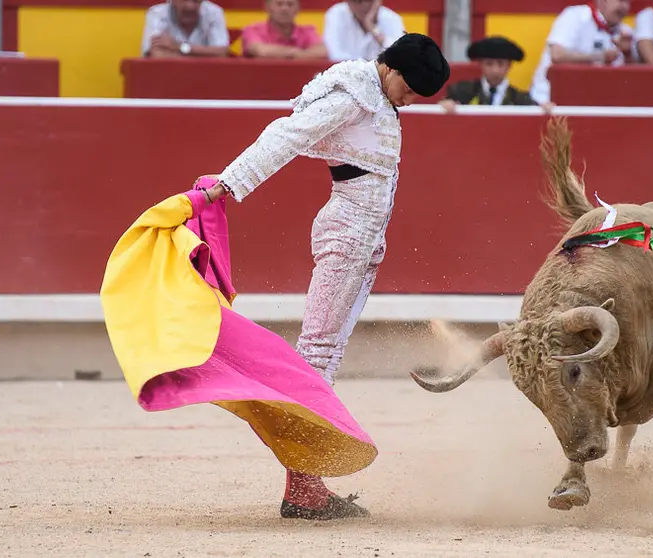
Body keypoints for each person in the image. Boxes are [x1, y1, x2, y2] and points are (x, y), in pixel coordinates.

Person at [199, 32, 450, 521]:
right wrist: (230, 182)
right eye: (412, 90)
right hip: (347, 233)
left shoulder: (373, 94)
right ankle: (304, 487)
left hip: (361, 236)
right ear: (393, 70)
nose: (412, 101)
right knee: (316, 354)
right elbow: (287, 135)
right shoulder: (354, 95)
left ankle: (306, 481)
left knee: (324, 353)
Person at [439, 36, 540, 112]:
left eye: (500, 64)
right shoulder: (461, 91)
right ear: (481, 64)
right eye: (489, 64)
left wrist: (544, 109)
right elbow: (441, 106)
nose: (495, 70)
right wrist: (444, 105)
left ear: (509, 66)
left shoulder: (521, 99)